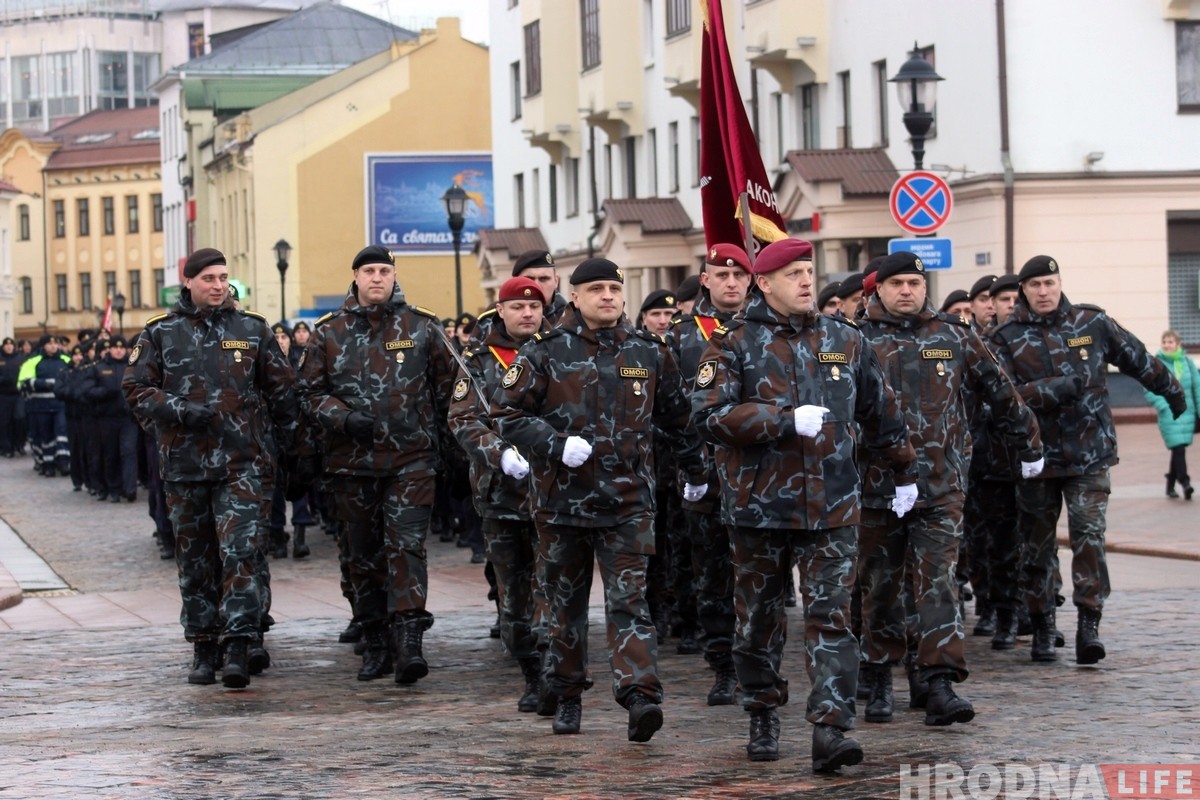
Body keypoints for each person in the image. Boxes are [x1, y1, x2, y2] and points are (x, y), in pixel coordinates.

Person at [691, 238, 917, 772]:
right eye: (793, 273)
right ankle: (762, 711)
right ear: (764, 283)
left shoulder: (845, 338)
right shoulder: (732, 342)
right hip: (759, 508)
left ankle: (831, 728)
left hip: (833, 505)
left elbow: (880, 410)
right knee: (758, 623)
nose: (806, 281)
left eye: (809, 271)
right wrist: (781, 419)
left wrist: (905, 469)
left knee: (831, 618)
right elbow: (708, 416)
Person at [493, 257, 707, 743]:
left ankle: (639, 695)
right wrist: (554, 444)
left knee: (629, 601)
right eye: (595, 289)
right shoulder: (545, 351)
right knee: (564, 605)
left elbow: (678, 419)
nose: (607, 296)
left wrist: (696, 472)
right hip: (561, 504)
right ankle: (567, 693)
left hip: (628, 502)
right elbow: (505, 414)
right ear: (575, 296)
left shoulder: (648, 351)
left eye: (613, 287)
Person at [855, 251, 1042, 728]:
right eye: (896, 283)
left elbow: (1000, 390)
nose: (906, 291)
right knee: (880, 585)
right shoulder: (854, 338)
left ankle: (938, 681)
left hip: (940, 485)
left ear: (925, 287)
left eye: (914, 283)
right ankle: (879, 674)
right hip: (876, 487)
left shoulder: (953, 335)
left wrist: (1029, 442)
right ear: (879, 289)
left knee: (938, 582)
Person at [991, 255, 1185, 664]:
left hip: (1089, 453)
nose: (1044, 291)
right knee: (1036, 547)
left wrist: (1171, 390)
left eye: (1050, 282)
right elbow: (1002, 396)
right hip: (1035, 458)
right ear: (1023, 290)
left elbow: (1136, 357)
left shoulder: (1091, 323)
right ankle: (1043, 624)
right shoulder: (1006, 337)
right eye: (1035, 285)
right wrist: (1056, 388)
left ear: (1060, 283)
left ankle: (1089, 623)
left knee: (1089, 538)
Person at [124, 247, 298, 688]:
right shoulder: (161, 333)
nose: (219, 286)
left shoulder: (252, 329)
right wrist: (179, 411)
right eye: (208, 279)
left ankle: (239, 642)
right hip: (184, 468)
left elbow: (283, 394)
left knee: (240, 553)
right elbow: (136, 390)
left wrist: (295, 453)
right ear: (188, 282)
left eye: (223, 278)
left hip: (243, 465)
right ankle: (204, 645)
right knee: (196, 561)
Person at [299, 244, 456, 684]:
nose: (377, 278)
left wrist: (453, 453)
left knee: (407, 548)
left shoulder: (423, 327)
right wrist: (343, 417)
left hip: (411, 461)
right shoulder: (329, 332)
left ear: (394, 276)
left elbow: (451, 390)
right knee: (363, 556)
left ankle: (409, 642)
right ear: (355, 276)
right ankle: (375, 643)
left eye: (384, 271)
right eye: (369, 270)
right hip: (351, 465)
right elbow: (307, 394)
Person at [448, 275, 547, 713]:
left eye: (534, 307)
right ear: (500, 311)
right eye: (518, 307)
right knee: (514, 594)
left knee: (554, 587)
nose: (527, 313)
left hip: (554, 493)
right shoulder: (478, 359)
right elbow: (463, 419)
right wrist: (498, 453)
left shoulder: (559, 351)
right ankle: (530, 670)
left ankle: (556, 674)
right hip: (500, 494)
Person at [667, 243, 753, 706]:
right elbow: (667, 410)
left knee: (759, 577)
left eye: (739, 275)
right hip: (705, 477)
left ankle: (758, 664)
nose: (731, 282)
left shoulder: (766, 330)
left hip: (762, 478)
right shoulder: (681, 337)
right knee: (713, 576)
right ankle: (723, 666)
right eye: (722, 275)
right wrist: (688, 466)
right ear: (705, 280)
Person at [81, 336, 138, 503]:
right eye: (115, 347)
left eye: (121, 347)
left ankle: (130, 488)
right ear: (110, 349)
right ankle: (114, 488)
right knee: (111, 454)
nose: (118, 350)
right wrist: (104, 392)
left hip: (128, 418)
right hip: (107, 418)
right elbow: (87, 390)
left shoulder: (133, 367)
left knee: (129, 452)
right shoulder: (99, 368)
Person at [1146, 330, 1200, 499]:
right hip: (1169, 412)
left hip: (1187, 411)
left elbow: (1197, 387)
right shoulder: (1156, 364)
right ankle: (1185, 483)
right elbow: (1149, 388)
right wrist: (1163, 405)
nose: (1167, 345)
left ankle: (1170, 484)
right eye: (1165, 342)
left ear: (1178, 344)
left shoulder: (1187, 362)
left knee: (1179, 448)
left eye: (1170, 342)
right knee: (1178, 447)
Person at [17, 334, 71, 476]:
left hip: (60, 404)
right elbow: (24, 383)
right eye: (50, 344)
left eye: (55, 343)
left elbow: (73, 378)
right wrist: (46, 383)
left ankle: (63, 462)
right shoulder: (33, 361)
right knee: (45, 435)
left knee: (61, 432)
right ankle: (48, 464)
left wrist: (55, 385)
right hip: (40, 406)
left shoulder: (66, 359)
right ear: (43, 346)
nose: (53, 346)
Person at [0, 336, 24, 457]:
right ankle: (7, 447)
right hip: (3, 394)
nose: (9, 347)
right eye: (6, 345)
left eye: (11, 345)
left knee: (19, 419)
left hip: (18, 394)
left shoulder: (20, 358)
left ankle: (19, 444)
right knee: (5, 422)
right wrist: (4, 379)